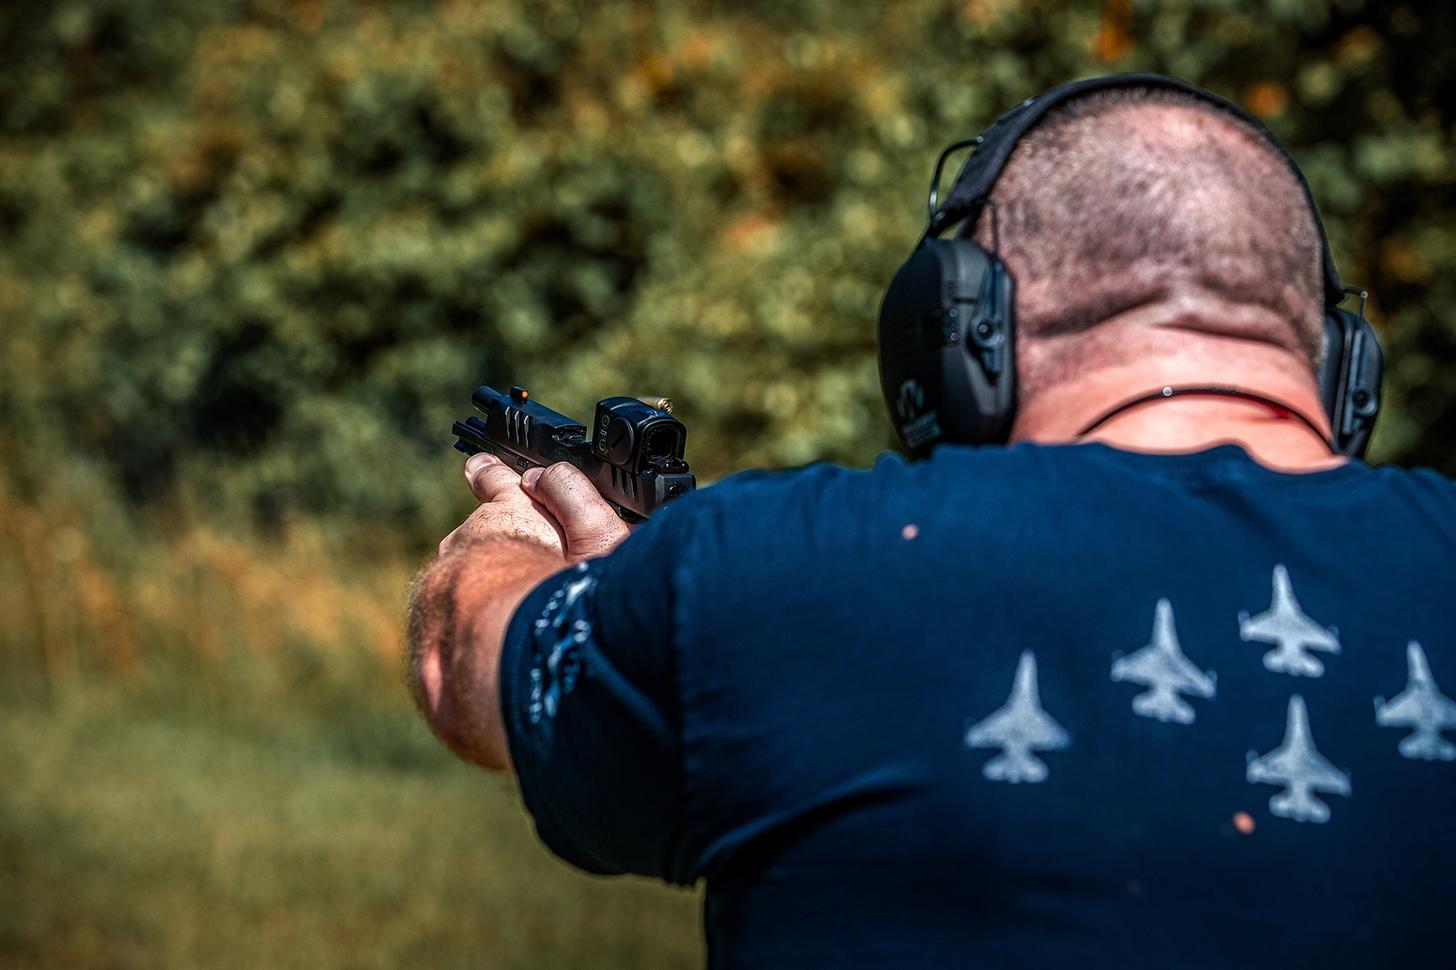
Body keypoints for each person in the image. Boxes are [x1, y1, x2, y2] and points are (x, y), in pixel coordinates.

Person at [408, 76, 1455, 967]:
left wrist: (522, 551)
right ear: (1339, 367)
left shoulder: (773, 572)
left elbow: (466, 670)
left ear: (957, 329)